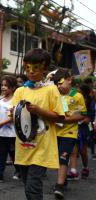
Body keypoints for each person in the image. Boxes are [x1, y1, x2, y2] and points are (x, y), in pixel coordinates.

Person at [11, 48, 65, 200]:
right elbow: (15, 117)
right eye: (28, 68)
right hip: (23, 147)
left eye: (36, 68)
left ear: (45, 68)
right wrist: (13, 114)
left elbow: (60, 117)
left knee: (33, 189)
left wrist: (39, 110)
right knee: (28, 188)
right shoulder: (20, 91)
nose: (31, 71)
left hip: (42, 148)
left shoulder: (52, 90)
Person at [52, 69, 87, 199]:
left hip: (70, 132)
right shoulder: (55, 95)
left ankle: (59, 186)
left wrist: (66, 120)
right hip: (55, 132)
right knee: (57, 159)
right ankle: (63, 180)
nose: (59, 86)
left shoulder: (77, 96)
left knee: (63, 157)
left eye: (61, 83)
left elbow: (82, 116)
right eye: (57, 84)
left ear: (69, 80)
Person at [0, 75, 20, 183]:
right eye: (2, 85)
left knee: (14, 154)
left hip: (12, 134)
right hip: (1, 133)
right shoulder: (1, 99)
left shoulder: (15, 100)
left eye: (6, 86)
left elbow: (13, 117)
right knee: (0, 154)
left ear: (13, 88)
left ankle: (20, 171)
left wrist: (0, 124)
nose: (3, 87)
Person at [66, 83, 94, 180]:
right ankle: (73, 171)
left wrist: (82, 119)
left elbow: (88, 119)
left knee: (83, 151)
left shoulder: (90, 102)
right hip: (73, 127)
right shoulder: (73, 100)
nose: (77, 91)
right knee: (74, 149)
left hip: (84, 129)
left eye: (79, 90)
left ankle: (85, 167)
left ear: (84, 93)